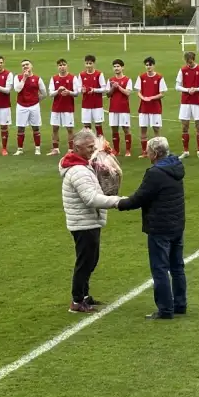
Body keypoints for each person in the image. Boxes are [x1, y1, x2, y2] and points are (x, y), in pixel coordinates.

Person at [117, 136, 187, 320]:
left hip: (160, 226)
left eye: (147, 151)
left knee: (160, 268)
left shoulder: (155, 173)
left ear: (155, 154)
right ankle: (180, 304)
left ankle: (165, 309)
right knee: (177, 266)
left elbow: (139, 198)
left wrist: (118, 203)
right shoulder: (176, 166)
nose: (146, 154)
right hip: (177, 224)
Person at [59, 129, 125, 313]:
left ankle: (84, 295)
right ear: (77, 147)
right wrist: (118, 201)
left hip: (87, 220)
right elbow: (91, 199)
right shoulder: (78, 171)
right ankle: (77, 300)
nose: (92, 150)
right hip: (83, 222)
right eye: (89, 147)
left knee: (91, 259)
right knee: (85, 261)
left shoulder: (82, 165)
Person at [13, 59, 48, 156]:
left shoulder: (37, 79)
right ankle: (20, 149)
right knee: (20, 128)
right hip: (21, 106)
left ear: (31, 66)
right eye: (23, 65)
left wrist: (36, 100)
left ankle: (37, 148)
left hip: (34, 106)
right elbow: (17, 89)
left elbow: (44, 93)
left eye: (27, 64)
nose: (25, 66)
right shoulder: (18, 77)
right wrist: (24, 78)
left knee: (35, 127)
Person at [176, 51, 199, 158]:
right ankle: (185, 151)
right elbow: (177, 86)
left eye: (190, 62)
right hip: (185, 101)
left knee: (198, 126)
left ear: (194, 59)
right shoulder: (183, 70)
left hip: (197, 101)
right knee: (184, 126)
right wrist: (187, 89)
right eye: (187, 62)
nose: (189, 64)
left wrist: (196, 89)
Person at [136, 57, 168, 158]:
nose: (148, 67)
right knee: (143, 129)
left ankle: (157, 152)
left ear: (153, 65)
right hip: (144, 108)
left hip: (155, 107)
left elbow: (162, 93)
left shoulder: (159, 77)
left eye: (150, 65)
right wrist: (143, 98)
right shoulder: (141, 77)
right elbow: (138, 92)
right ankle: (144, 152)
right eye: (146, 65)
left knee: (156, 129)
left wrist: (151, 98)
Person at [49, 58, 78, 156]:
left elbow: (76, 93)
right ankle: (55, 149)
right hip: (56, 108)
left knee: (69, 129)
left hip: (68, 107)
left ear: (67, 65)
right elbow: (51, 93)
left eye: (64, 65)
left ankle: (70, 149)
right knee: (55, 128)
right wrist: (58, 91)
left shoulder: (72, 78)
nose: (62, 67)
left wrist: (69, 92)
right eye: (60, 65)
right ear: (57, 67)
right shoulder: (54, 78)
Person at [108, 58, 135, 157]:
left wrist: (118, 87)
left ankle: (128, 150)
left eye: (118, 66)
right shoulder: (110, 80)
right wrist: (112, 87)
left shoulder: (127, 80)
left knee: (126, 128)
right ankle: (116, 150)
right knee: (114, 129)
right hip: (113, 108)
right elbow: (108, 94)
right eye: (114, 67)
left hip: (123, 108)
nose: (116, 68)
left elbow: (128, 93)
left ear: (122, 67)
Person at [78, 55, 107, 139]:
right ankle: (89, 144)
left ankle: (101, 144)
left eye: (90, 63)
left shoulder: (99, 74)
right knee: (86, 126)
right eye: (87, 63)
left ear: (94, 63)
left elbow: (104, 88)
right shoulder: (81, 75)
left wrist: (94, 90)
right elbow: (78, 87)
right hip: (86, 104)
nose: (88, 65)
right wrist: (81, 90)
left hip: (97, 104)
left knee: (98, 125)